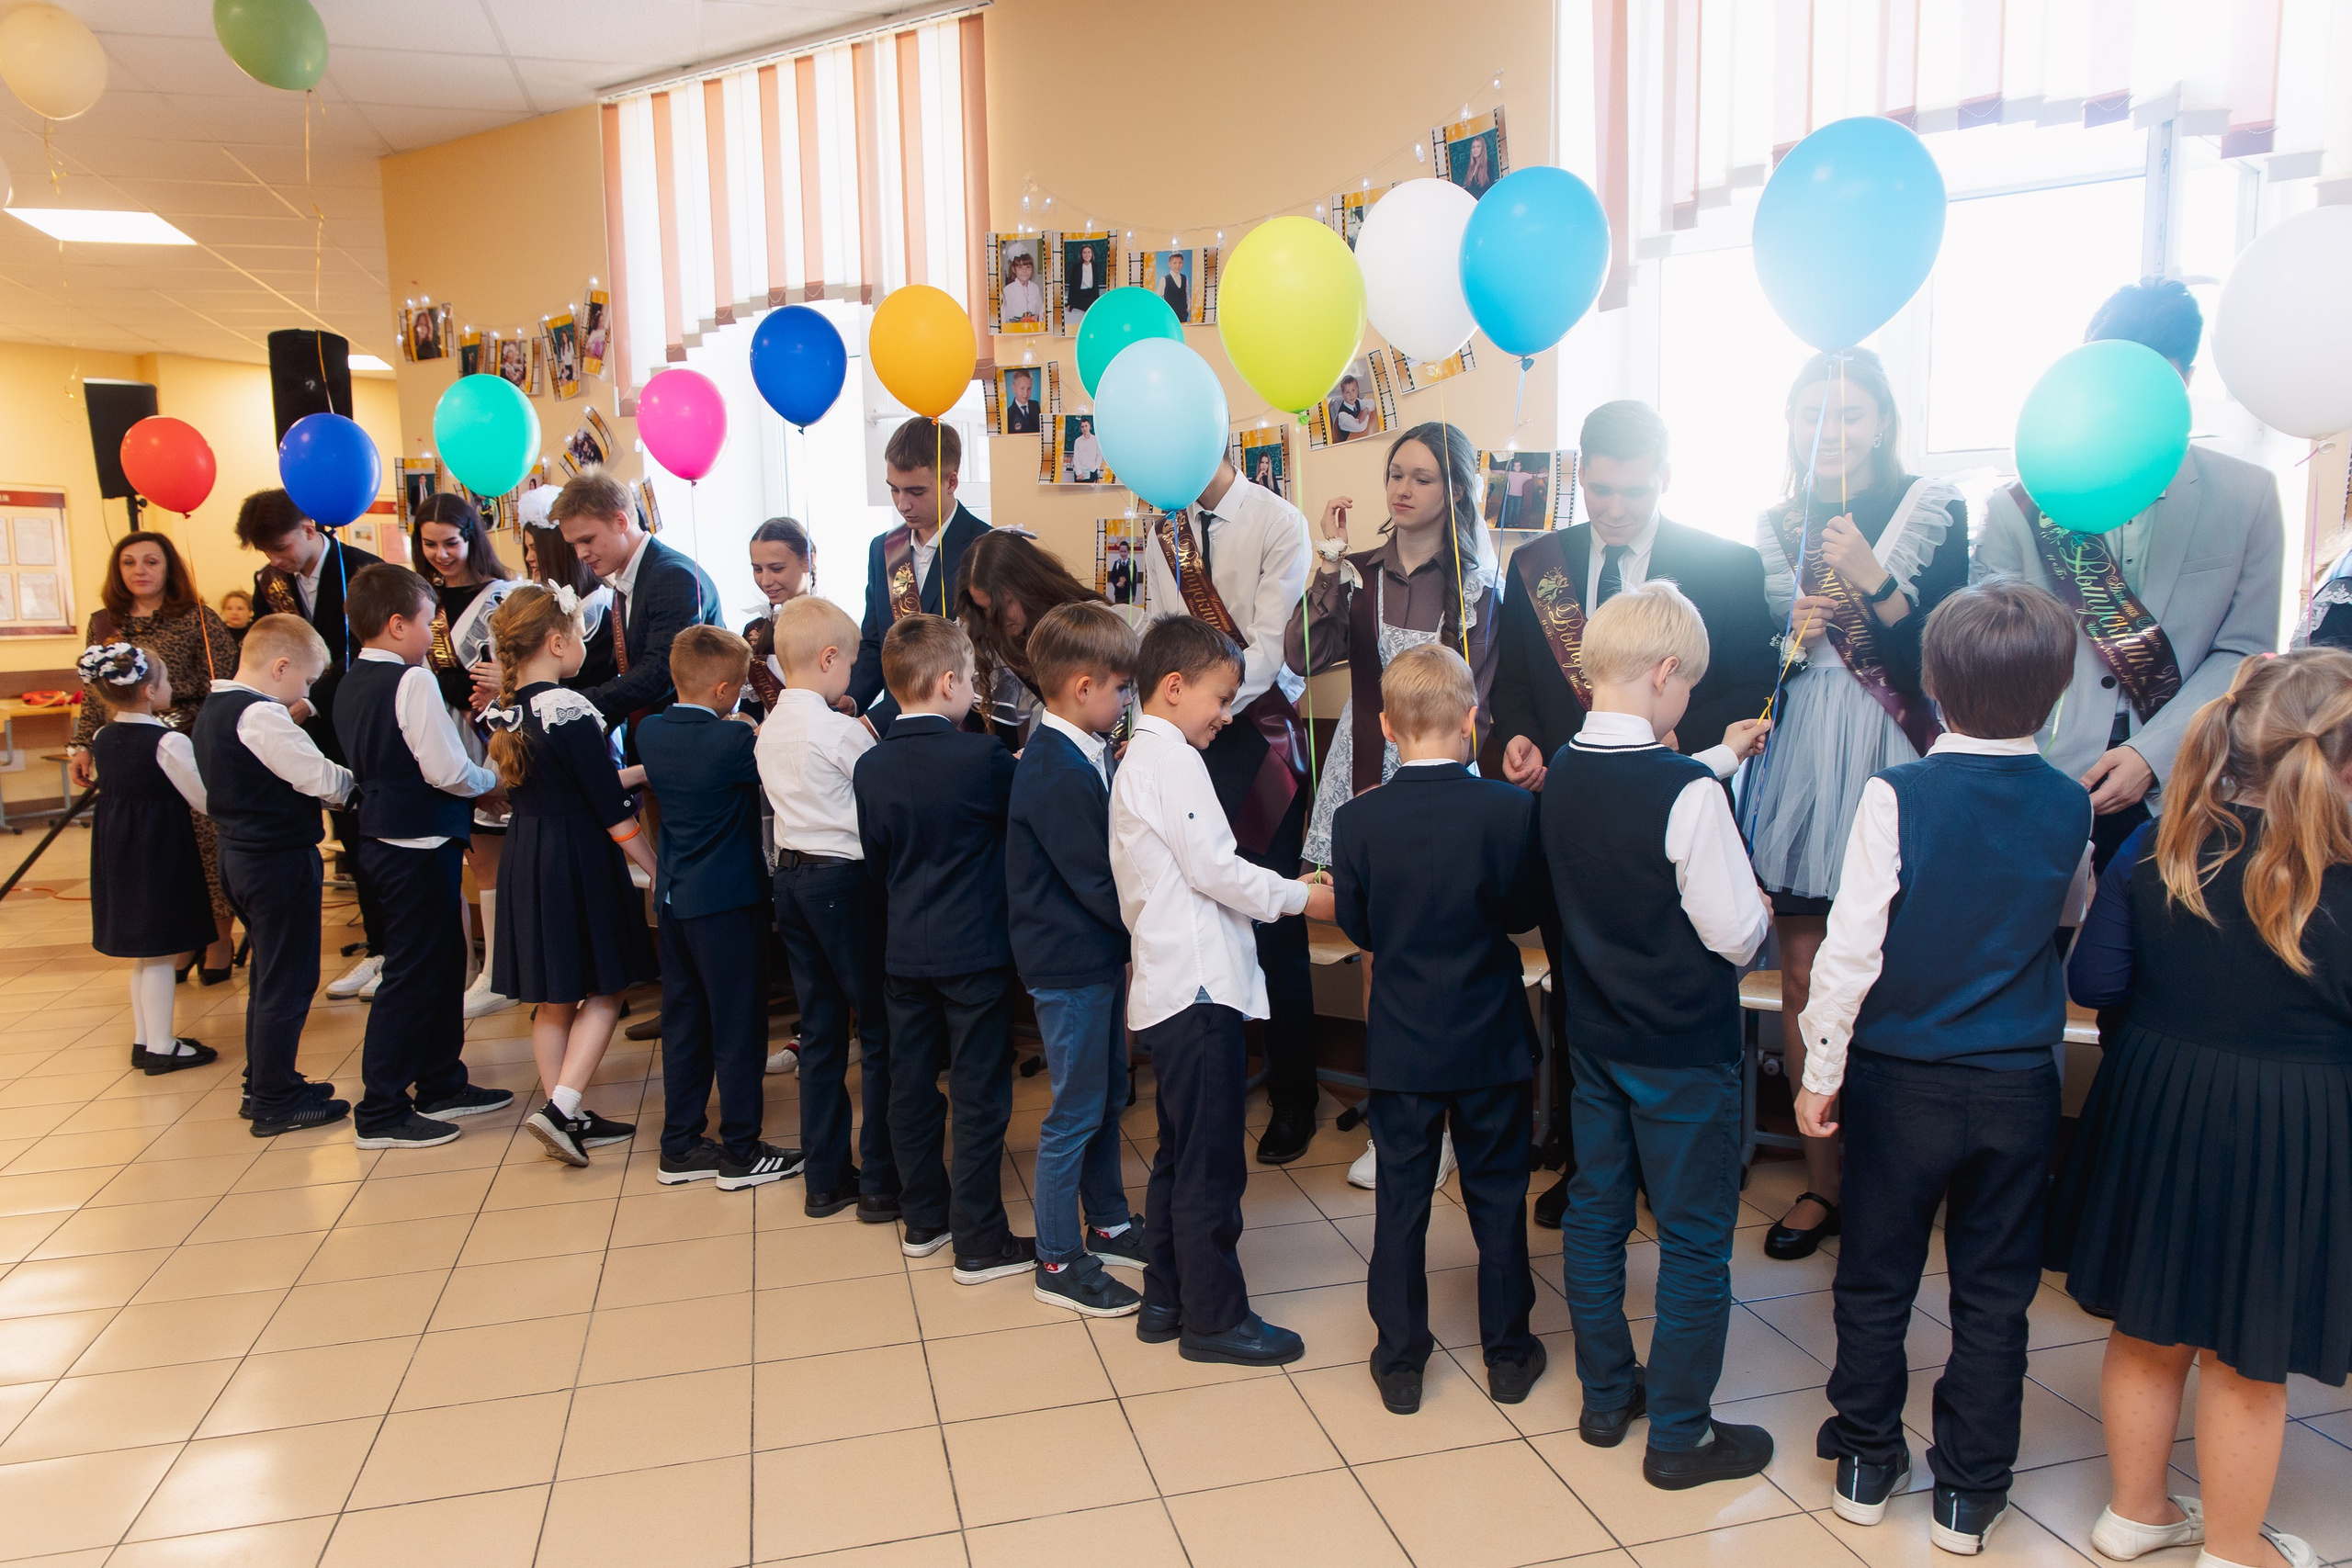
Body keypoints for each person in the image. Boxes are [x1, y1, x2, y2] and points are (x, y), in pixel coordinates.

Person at [1790, 583, 2091, 1553]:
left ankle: (1869, 1458)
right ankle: (1969, 1489)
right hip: (2017, 1086)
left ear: (1930, 681)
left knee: (1875, 1276)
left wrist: (1818, 1068)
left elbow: (1849, 951)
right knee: (1994, 1292)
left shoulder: (1899, 793)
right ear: (2056, 692)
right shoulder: (2067, 800)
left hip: (1902, 1079)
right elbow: (2064, 914)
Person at [2045, 650, 2352, 1568]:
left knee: (2147, 1325)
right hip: (2290, 1120)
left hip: (2155, 1102)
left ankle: (2135, 1514)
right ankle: (2231, 1548)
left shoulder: (2161, 843)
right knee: (2246, 1353)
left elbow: (2096, 980)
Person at [1491, 400, 1779, 1226]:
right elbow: (1513, 681)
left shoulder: (1721, 564)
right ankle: (1592, 1169)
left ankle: (1670, 1168)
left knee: (1669, 985)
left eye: (1632, 491)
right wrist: (1514, 737)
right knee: (1578, 982)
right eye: (1600, 488)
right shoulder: (1539, 564)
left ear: (1665, 479)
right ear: (1581, 474)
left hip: (1673, 812)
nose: (1612, 507)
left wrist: (1681, 732)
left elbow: (1756, 680)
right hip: (1571, 816)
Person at [1543, 580, 1775, 1490]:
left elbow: (1634, 800)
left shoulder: (1560, 771)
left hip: (1594, 1042)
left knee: (1597, 1215)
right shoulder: (1684, 791)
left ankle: (1607, 1396)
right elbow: (1730, 932)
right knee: (1690, 1238)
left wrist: (1711, 756)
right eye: (1687, 689)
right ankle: (1679, 1433)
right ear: (1666, 674)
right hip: (1683, 1052)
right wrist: (1754, 909)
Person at [1740, 348, 1970, 1263]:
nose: (1827, 433)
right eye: (1810, 415)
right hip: (1802, 760)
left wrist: (1872, 580)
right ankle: (1821, 1182)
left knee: (1893, 978)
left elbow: (1944, 661)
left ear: (1881, 421)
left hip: (1895, 753)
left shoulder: (1930, 510)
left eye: (1847, 416)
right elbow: (1754, 674)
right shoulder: (1776, 521)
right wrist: (1786, 643)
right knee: (1802, 979)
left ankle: (1896, 1182)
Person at [1974, 278, 2285, 874]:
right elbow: (1988, 658)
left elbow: (2244, 650)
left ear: (2185, 382)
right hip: (2044, 779)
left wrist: (2151, 754)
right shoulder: (2019, 505)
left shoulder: (2249, 497)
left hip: (2186, 784)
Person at [1329, 643, 1548, 1414]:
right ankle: (1510, 1353)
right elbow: (1523, 915)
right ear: (1470, 718)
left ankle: (1400, 1358)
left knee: (1402, 1200)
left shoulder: (1356, 821)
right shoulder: (1512, 809)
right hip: (1490, 1034)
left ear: (1386, 726)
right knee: (1498, 1197)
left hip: (1401, 1041)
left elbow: (1360, 926)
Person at [1114, 616, 1335, 1364]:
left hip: (1171, 986)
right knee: (1210, 1164)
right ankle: (1214, 1319)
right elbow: (1216, 869)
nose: (1228, 713)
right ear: (1173, 688)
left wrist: (1285, 886)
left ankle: (1167, 1297)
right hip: (1198, 987)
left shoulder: (1143, 757)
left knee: (1179, 1154)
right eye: (1220, 696)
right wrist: (1305, 897)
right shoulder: (1171, 762)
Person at [1141, 451, 1317, 1163]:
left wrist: (1203, 707)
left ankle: (1295, 1097)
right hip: (1192, 734)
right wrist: (1150, 729)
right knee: (1196, 905)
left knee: (1274, 924)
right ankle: (1213, 1072)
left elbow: (1271, 652)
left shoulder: (1279, 521)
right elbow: (1157, 641)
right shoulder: (1165, 530)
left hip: (1259, 738)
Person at [854, 615, 1028, 1281]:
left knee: (911, 1085)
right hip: (976, 950)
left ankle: (923, 1216)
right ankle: (979, 1236)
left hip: (903, 950)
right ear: (951, 680)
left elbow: (877, 860)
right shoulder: (981, 759)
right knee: (980, 1092)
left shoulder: (870, 767)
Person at [334, 565, 514, 1151]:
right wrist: (490, 779)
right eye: (425, 619)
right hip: (414, 842)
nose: (432, 629)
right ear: (396, 625)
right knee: (412, 974)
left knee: (438, 966)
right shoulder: (411, 682)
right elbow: (441, 768)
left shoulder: (350, 679)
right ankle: (382, 1108)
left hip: (389, 838)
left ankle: (440, 1080)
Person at [484, 584, 658, 1166]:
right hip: (576, 857)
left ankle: (569, 1110)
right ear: (557, 643)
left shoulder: (507, 711)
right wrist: (655, 869)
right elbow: (609, 808)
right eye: (582, 636)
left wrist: (637, 770)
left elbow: (572, 782)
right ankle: (561, 1108)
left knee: (555, 996)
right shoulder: (572, 709)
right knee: (607, 988)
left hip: (528, 854)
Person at [1010, 603, 1145, 1318]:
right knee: (1075, 1111)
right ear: (1083, 687)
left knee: (1108, 1095)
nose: (1128, 704)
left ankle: (1113, 1222)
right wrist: (1149, 928)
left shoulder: (1081, 741)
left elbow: (1119, 738)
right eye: (1122, 690)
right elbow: (1095, 878)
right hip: (1069, 965)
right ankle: (1058, 1256)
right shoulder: (1055, 769)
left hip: (1093, 958)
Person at [636, 626, 804, 1193]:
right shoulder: (735, 743)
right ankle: (740, 1148)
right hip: (727, 901)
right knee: (737, 1026)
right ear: (725, 690)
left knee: (685, 1022)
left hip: (674, 900)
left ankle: (679, 1144)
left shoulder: (652, 733)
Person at [1287, 421, 1497, 871]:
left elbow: (1481, 707)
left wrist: (1427, 778)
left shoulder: (1475, 589)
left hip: (1439, 776)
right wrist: (1329, 559)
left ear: (1455, 491)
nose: (1403, 489)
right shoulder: (1356, 572)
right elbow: (1303, 657)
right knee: (1355, 901)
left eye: (1422, 479)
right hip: (1356, 757)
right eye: (1395, 475)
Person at [760, 595, 900, 1218]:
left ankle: (824, 1177)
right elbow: (876, 785)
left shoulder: (771, 727)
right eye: (849, 665)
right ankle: (879, 1177)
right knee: (878, 1027)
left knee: (819, 1031)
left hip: (789, 881)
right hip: (844, 881)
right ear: (829, 659)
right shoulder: (838, 729)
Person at [192, 614, 353, 1137]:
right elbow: (318, 777)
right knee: (289, 978)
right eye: (306, 680)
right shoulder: (260, 716)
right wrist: (360, 786)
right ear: (281, 666)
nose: (306, 691)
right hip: (275, 860)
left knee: (268, 974)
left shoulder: (215, 707)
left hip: (240, 855)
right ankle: (275, 1100)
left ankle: (264, 1079)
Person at [234, 489, 388, 1000]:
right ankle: (375, 945)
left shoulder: (363, 568)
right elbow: (269, 644)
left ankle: (394, 949)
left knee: (375, 836)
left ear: (308, 527)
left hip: (354, 718)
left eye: (282, 548)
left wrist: (311, 701)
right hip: (300, 729)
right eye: (268, 554)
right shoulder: (271, 583)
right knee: (346, 838)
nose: (277, 561)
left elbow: (371, 650)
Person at [67, 531, 242, 982]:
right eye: (129, 563)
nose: (140, 571)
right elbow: (94, 695)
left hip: (190, 743)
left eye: (151, 562)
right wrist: (82, 745)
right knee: (160, 855)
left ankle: (219, 941)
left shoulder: (198, 618)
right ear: (117, 570)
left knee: (206, 847)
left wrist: (200, 732)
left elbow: (223, 686)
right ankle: (178, 942)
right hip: (131, 751)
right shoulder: (104, 623)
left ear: (169, 569)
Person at [76, 642, 218, 1077]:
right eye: (168, 681)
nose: (172, 687)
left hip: (118, 849)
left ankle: (145, 1038)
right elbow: (203, 799)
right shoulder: (168, 740)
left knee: (145, 951)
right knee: (159, 949)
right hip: (157, 850)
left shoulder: (102, 736)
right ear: (149, 691)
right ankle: (161, 1045)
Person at [411, 493, 521, 1021]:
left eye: (450, 543)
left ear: (471, 538)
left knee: (496, 852)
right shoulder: (422, 600)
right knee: (473, 856)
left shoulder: (503, 597)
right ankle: (478, 966)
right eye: (429, 545)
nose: (440, 555)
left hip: (493, 735)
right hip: (446, 734)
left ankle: (500, 971)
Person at [551, 469, 723, 739]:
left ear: (620, 521)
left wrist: (577, 706)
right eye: (574, 545)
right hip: (653, 737)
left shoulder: (672, 576)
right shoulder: (631, 576)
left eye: (587, 540)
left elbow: (660, 673)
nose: (580, 554)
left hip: (687, 743)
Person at [853, 417, 990, 729]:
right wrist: (850, 700)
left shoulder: (987, 547)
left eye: (916, 491)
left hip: (968, 730)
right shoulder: (884, 550)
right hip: (898, 727)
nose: (903, 504)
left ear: (951, 482)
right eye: (894, 490)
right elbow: (876, 645)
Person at [957, 528, 1107, 747]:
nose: (995, 618)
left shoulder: (1090, 622)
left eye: (1006, 603)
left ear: (1028, 585)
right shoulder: (987, 633)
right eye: (985, 608)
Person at [521, 485, 617, 692]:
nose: (529, 558)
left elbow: (584, 681)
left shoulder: (599, 608)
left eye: (535, 549)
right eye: (526, 549)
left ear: (558, 552)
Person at [742, 516, 814, 716]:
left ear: (808, 561)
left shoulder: (832, 625)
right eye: (757, 569)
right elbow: (750, 710)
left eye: (776, 569)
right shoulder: (754, 631)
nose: (765, 581)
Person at [1001, 246, 1045, 326]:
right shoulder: (1008, 290)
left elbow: (1040, 311)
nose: (1024, 271)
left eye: (1028, 267)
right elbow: (1004, 317)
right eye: (1020, 268)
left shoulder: (1035, 288)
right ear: (1014, 269)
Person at [1329, 376, 1374, 443]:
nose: (1351, 395)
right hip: (1350, 443)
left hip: (1358, 437)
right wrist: (1367, 415)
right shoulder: (1343, 415)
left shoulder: (1357, 402)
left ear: (1357, 390)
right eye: (1347, 392)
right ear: (1343, 394)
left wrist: (1365, 411)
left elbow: (1372, 402)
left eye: (1353, 390)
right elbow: (1361, 427)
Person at [1067, 416, 1105, 482]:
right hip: (1080, 472)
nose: (1084, 428)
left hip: (1092, 471)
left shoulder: (1096, 440)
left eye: (1086, 426)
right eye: (1082, 427)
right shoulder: (1078, 441)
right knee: (1079, 492)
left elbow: (1099, 455)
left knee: (1090, 492)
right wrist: (1079, 473)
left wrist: (1095, 468)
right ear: (1080, 428)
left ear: (1089, 426)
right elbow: (1076, 458)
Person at [1004, 368, 1041, 434]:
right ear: (1014, 389)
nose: (1026, 393)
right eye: (1022, 388)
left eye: (1029, 388)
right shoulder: (1009, 414)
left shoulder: (1035, 405)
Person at [1070, 243, 1100, 312]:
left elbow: (1096, 286)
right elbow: (1072, 285)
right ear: (1081, 255)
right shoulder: (1076, 267)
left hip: (1091, 295)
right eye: (1084, 253)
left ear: (1092, 254)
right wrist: (1069, 303)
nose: (1087, 255)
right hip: (1079, 296)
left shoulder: (1095, 267)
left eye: (1089, 252)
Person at [1160, 251, 1190, 321]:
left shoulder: (1184, 278)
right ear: (1169, 264)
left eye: (1180, 263)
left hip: (1183, 315)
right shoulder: (1164, 279)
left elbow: (1187, 295)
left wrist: (1188, 309)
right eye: (1175, 263)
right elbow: (1159, 297)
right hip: (1170, 316)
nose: (1177, 266)